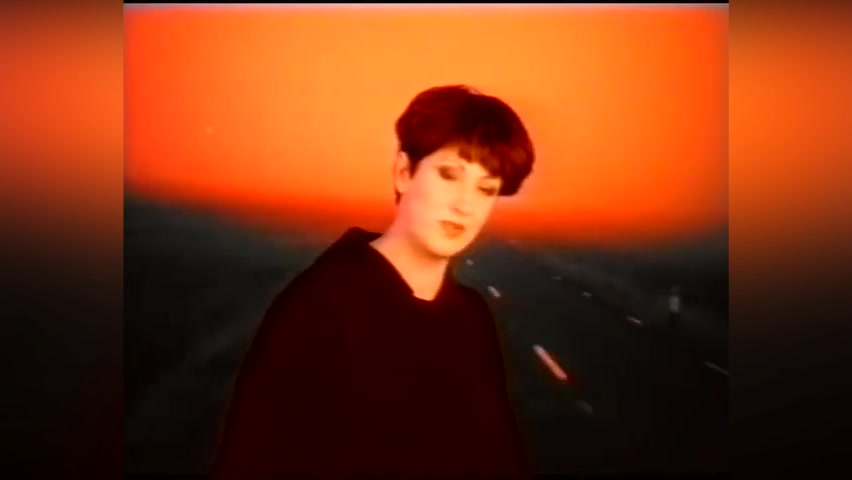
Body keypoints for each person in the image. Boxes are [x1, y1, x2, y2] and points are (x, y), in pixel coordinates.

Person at [210, 84, 536, 478]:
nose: (464, 205)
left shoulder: (472, 317)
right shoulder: (320, 305)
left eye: (486, 189)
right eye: (449, 175)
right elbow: (249, 459)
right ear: (403, 173)